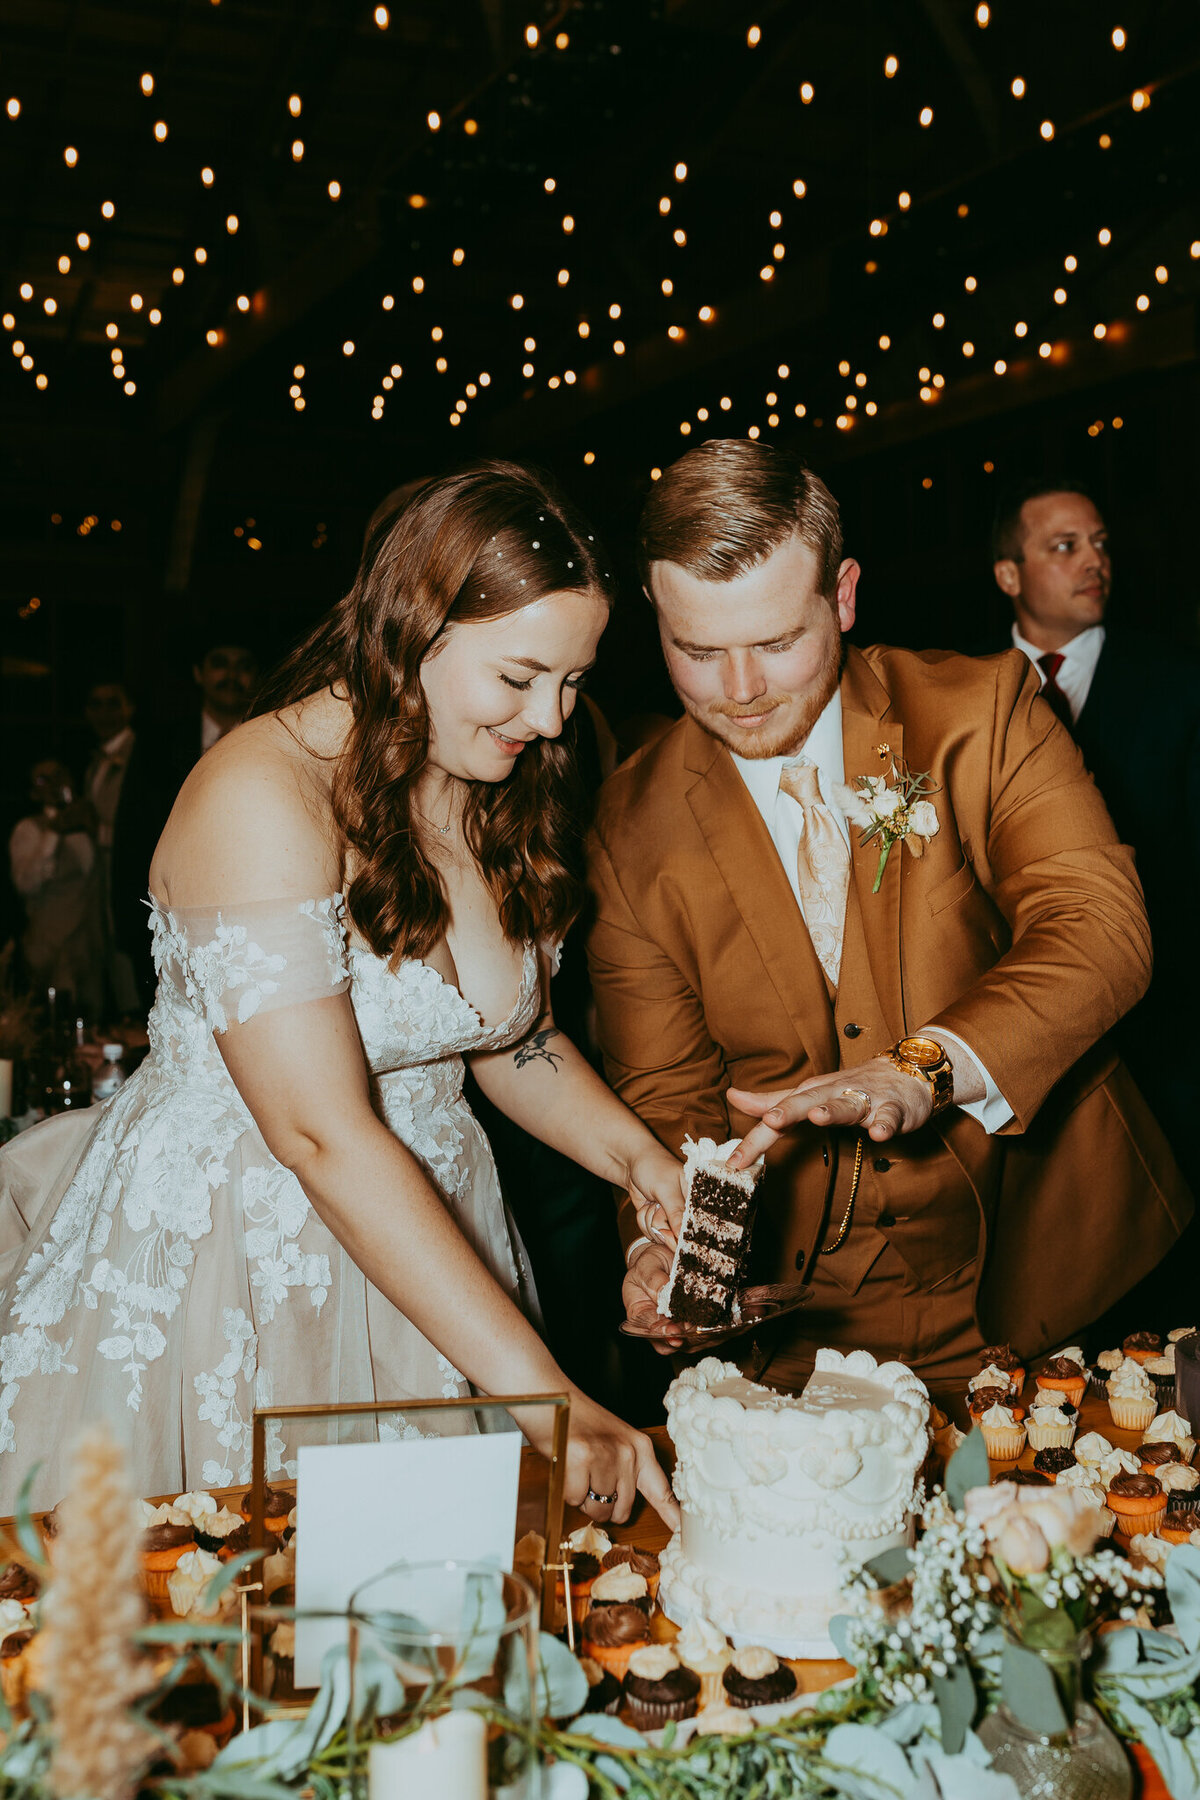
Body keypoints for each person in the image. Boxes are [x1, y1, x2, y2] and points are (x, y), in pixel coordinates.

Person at [0, 460, 682, 1527]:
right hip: (250, 1255)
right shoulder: (261, 795)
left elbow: (510, 1040)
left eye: (574, 682)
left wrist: (639, 1158)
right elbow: (319, 1136)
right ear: (414, 627)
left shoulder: (486, 779)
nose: (552, 721)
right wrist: (546, 1395)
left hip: (439, 1244)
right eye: (519, 678)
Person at [586, 439, 1189, 1409]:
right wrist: (680, 1253)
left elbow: (1100, 929)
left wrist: (922, 1070)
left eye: (777, 641)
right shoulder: (626, 828)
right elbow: (668, 1094)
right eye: (697, 651)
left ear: (845, 596)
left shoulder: (983, 709)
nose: (739, 690)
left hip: (1034, 1269)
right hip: (797, 1323)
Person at [986, 476, 1200, 1316]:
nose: (1093, 561)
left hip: (1166, 1030)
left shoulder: (1179, 684)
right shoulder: (966, 689)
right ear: (1010, 575)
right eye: (1065, 546)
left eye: (1101, 542)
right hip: (1025, 1046)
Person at [8, 759, 104, 1018]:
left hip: (86, 941)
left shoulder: (87, 825)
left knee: (93, 1016)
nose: (52, 784)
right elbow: (25, 884)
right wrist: (53, 833)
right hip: (48, 943)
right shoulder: (28, 829)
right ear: (33, 792)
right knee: (51, 1017)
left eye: (58, 775)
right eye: (42, 780)